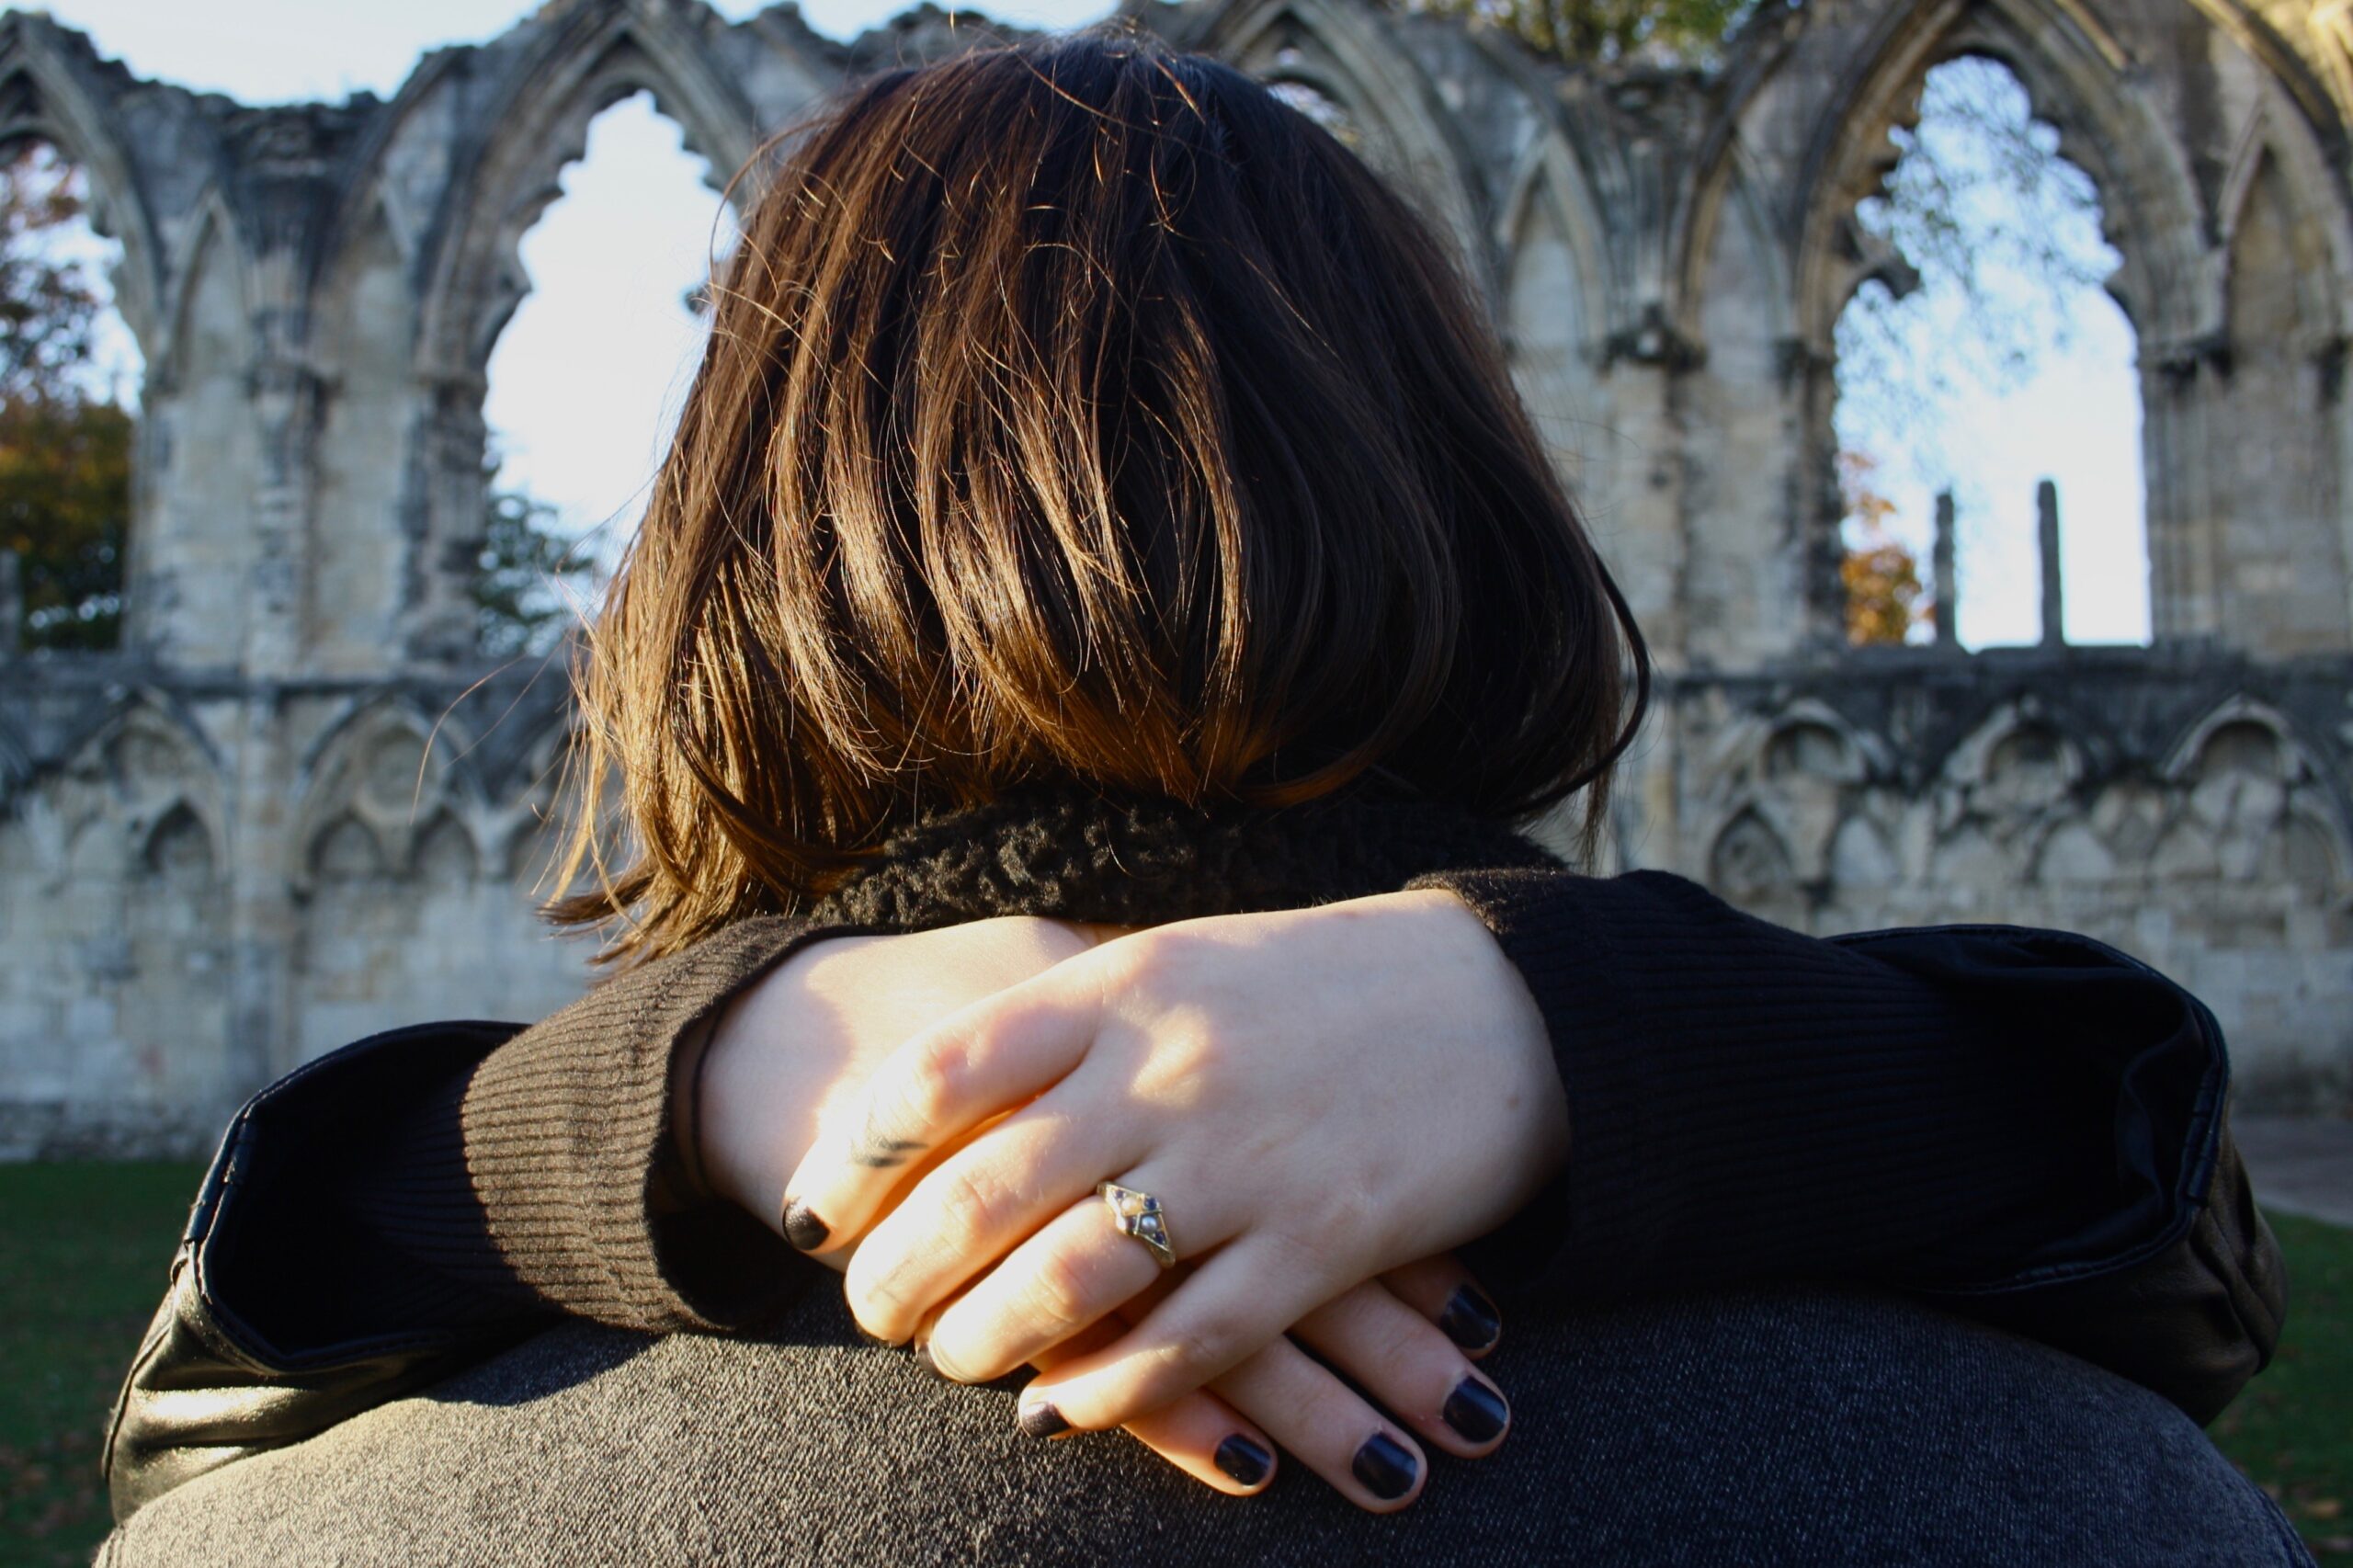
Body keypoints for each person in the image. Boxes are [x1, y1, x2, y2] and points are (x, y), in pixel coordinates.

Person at [100, 32, 2299, 1564]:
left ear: (706, 575)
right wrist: (1602, 1035)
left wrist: (647, 1099)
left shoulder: (311, 1530)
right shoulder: (2102, 1495)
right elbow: (2162, 1215)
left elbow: (192, 1396)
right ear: (1481, 501)